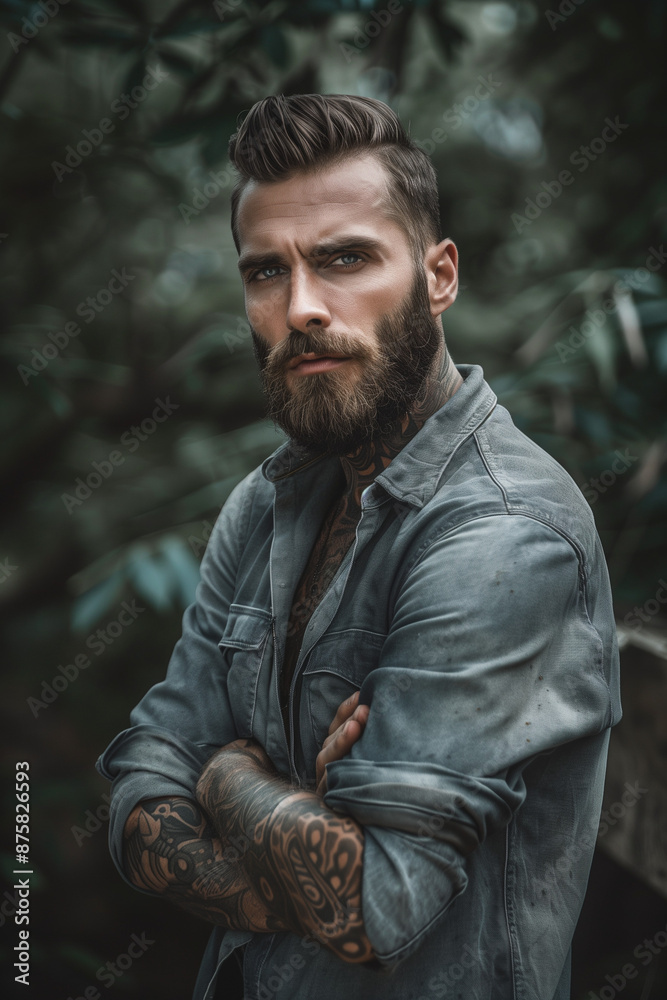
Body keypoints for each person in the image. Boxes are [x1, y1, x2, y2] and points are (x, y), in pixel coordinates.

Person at [96, 93, 621, 1000]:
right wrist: (294, 807)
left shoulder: (503, 537)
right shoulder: (268, 502)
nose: (300, 307)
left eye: (344, 259)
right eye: (266, 272)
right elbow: (138, 786)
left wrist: (222, 769)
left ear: (438, 274)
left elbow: (374, 906)